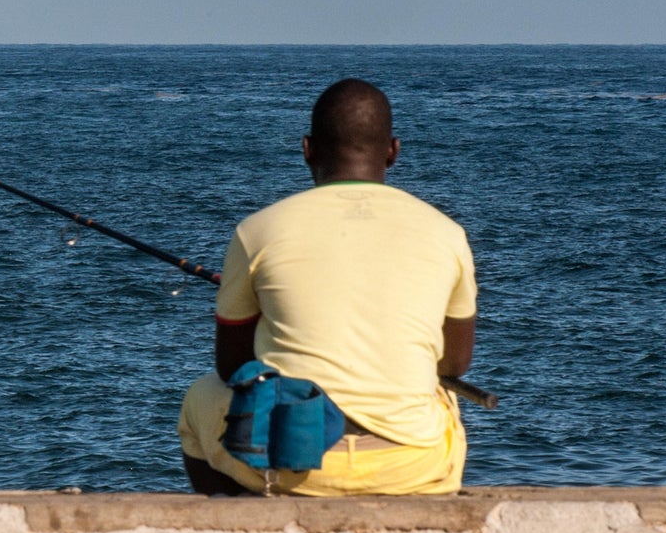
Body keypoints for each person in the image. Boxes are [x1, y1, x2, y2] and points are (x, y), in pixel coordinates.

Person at [179, 79, 477, 496]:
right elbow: (454, 364)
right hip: (410, 466)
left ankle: (244, 526)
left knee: (199, 399)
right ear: (393, 150)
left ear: (307, 148)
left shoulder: (257, 231)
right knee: (445, 401)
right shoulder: (447, 234)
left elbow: (232, 367)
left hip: (296, 464)